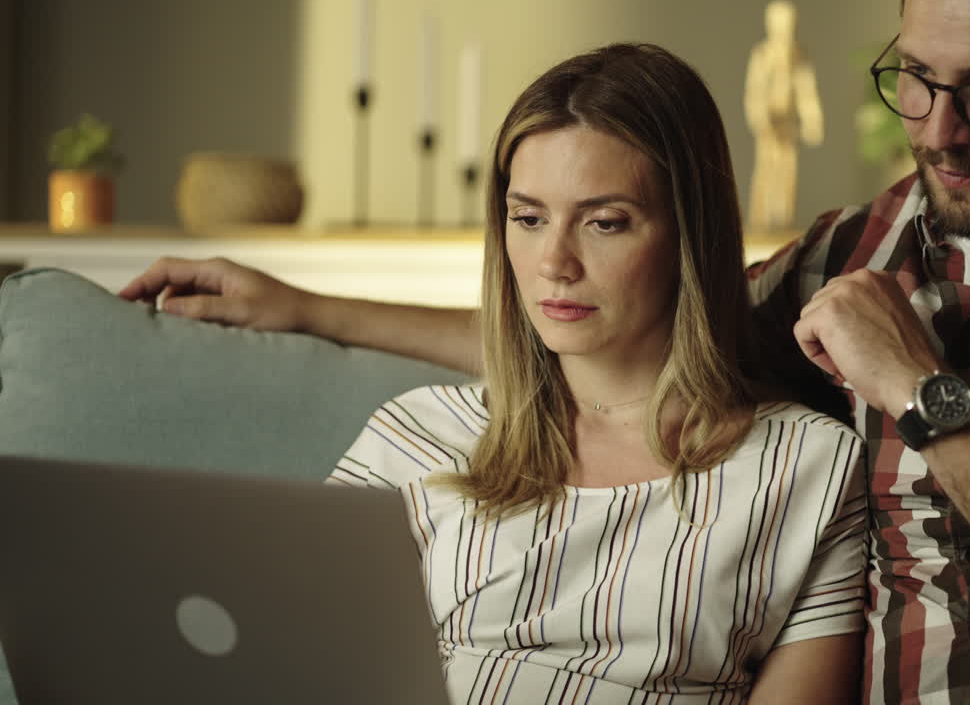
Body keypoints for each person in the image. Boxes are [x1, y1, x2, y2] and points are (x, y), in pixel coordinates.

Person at [121, 0, 970, 702]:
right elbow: (619, 323)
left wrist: (925, 395)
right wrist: (311, 308)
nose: (935, 129)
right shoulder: (865, 244)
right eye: (914, 80)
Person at [292, 44, 871, 702]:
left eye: (604, 222)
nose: (554, 262)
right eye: (529, 218)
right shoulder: (413, 437)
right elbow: (288, 659)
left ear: (690, 233)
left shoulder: (809, 470)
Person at [743, 0, 824, 233]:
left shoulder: (798, 56)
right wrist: (759, 117)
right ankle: (760, 221)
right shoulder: (763, 54)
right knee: (766, 170)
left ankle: (784, 221)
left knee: (788, 171)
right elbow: (755, 89)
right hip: (769, 122)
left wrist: (812, 120)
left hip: (788, 122)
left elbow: (806, 91)